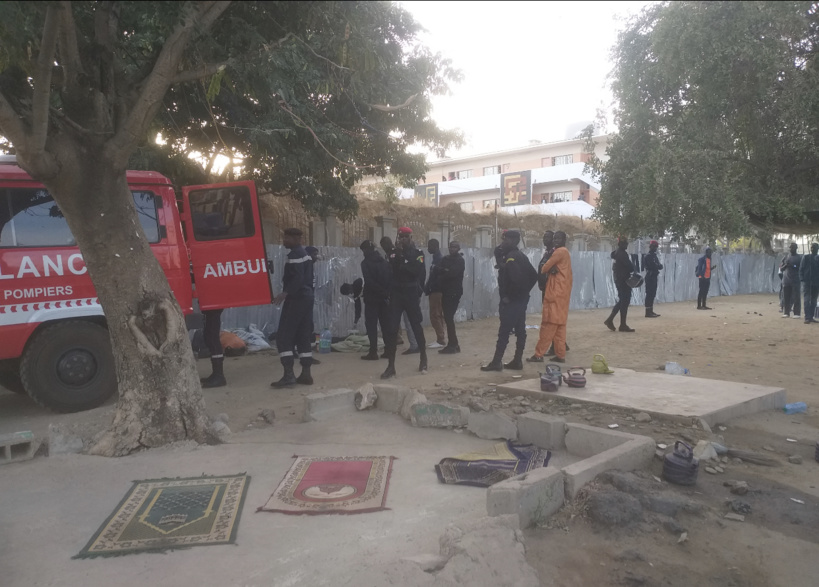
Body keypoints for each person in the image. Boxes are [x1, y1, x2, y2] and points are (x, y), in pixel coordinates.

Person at [481, 230, 538, 371]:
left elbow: (515, 279)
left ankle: (496, 362)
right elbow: (534, 276)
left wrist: (510, 297)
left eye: (505, 240)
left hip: (512, 302)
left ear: (513, 241)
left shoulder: (512, 258)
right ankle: (517, 361)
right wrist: (524, 294)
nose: (502, 243)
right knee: (520, 330)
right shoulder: (520, 256)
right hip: (520, 300)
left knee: (504, 332)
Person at [381, 227, 427, 379]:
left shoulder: (418, 253)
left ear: (411, 237)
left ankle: (423, 359)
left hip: (411, 293)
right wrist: (403, 262)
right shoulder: (394, 253)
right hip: (397, 294)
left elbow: (416, 271)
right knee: (392, 329)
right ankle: (391, 366)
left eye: (406, 237)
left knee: (416, 326)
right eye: (401, 237)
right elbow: (391, 269)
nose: (403, 239)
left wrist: (403, 264)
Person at [271, 228, 315, 388]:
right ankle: (306, 373)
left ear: (296, 239)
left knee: (284, 336)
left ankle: (288, 375)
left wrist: (285, 293)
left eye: (287, 237)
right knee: (303, 335)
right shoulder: (305, 254)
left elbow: (297, 278)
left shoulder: (295, 255)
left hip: (296, 299)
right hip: (307, 298)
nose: (284, 240)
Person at [527, 231, 572, 364]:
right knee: (560, 326)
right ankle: (560, 355)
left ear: (564, 240)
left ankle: (538, 354)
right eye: (555, 238)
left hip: (554, 293)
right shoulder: (566, 253)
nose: (556, 240)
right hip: (563, 294)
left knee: (548, 325)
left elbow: (544, 267)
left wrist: (550, 267)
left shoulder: (558, 252)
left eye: (559, 238)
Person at [380, 236, 419, 354]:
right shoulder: (393, 254)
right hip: (401, 291)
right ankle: (410, 342)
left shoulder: (396, 254)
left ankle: (414, 345)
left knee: (406, 320)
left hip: (402, 291)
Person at [537, 230, 570, 355]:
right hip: (547, 288)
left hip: (552, 290)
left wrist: (548, 268)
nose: (545, 239)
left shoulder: (555, 253)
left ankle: (549, 349)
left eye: (548, 237)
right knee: (555, 319)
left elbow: (545, 267)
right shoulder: (550, 252)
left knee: (551, 320)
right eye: (544, 236)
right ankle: (559, 346)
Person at [360, 240, 392, 360]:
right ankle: (388, 350)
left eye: (363, 250)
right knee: (385, 325)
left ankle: (373, 352)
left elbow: (369, 281)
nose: (363, 253)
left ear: (366, 250)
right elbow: (390, 278)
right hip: (384, 298)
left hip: (372, 298)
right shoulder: (384, 262)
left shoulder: (365, 263)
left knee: (371, 326)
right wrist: (386, 293)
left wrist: (380, 291)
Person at [437, 241, 465, 354]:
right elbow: (438, 270)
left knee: (448, 318)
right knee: (448, 318)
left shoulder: (459, 260)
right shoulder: (445, 259)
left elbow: (452, 274)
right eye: (450, 247)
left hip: (454, 292)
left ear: (458, 248)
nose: (452, 249)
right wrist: (445, 271)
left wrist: (444, 271)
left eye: (454, 247)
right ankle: (454, 344)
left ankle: (453, 344)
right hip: (446, 291)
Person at [604, 237, 636, 332]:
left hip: (619, 280)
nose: (626, 245)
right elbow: (630, 267)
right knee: (624, 301)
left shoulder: (617, 253)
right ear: (620, 244)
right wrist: (633, 267)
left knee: (623, 301)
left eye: (626, 243)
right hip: (623, 280)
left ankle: (611, 320)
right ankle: (621, 324)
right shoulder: (622, 254)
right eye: (624, 243)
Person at [424, 238, 447, 349]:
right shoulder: (436, 259)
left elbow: (438, 277)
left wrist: (431, 287)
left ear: (435, 246)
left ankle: (441, 339)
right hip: (435, 290)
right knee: (438, 315)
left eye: (430, 246)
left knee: (435, 315)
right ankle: (440, 338)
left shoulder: (439, 259)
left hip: (437, 291)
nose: (428, 248)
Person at [200, 309, 226, 388]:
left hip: (214, 308)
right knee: (209, 336)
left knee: (213, 339)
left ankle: (219, 376)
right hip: (211, 309)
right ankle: (216, 374)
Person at [780, 243, 802, 319]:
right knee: (786, 297)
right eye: (790, 247)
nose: (790, 249)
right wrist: (785, 265)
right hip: (786, 280)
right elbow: (781, 268)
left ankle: (797, 313)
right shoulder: (786, 257)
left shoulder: (799, 257)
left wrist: (793, 266)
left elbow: (800, 267)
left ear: (796, 248)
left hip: (796, 280)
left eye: (792, 247)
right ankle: (786, 312)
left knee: (796, 297)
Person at [800, 243, 819, 324]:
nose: (812, 249)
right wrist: (802, 278)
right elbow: (801, 268)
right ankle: (807, 317)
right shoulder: (806, 257)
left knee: (814, 300)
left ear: (817, 249)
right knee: (807, 299)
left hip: (816, 282)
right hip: (807, 281)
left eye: (814, 247)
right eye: (811, 247)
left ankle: (811, 317)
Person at [643, 240, 663, 318]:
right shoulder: (648, 256)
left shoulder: (654, 256)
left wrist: (658, 266)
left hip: (654, 276)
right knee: (649, 294)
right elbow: (653, 266)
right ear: (651, 247)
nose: (655, 248)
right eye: (654, 247)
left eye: (656, 247)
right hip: (650, 276)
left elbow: (660, 265)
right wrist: (657, 266)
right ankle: (647, 311)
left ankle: (650, 310)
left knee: (653, 294)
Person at [695, 246, 717, 311]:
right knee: (701, 291)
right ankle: (699, 306)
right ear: (706, 253)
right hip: (702, 278)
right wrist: (701, 276)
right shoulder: (702, 259)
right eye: (709, 252)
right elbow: (699, 269)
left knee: (705, 292)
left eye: (710, 252)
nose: (710, 254)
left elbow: (707, 269)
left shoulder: (709, 260)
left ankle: (704, 305)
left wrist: (712, 268)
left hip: (707, 278)